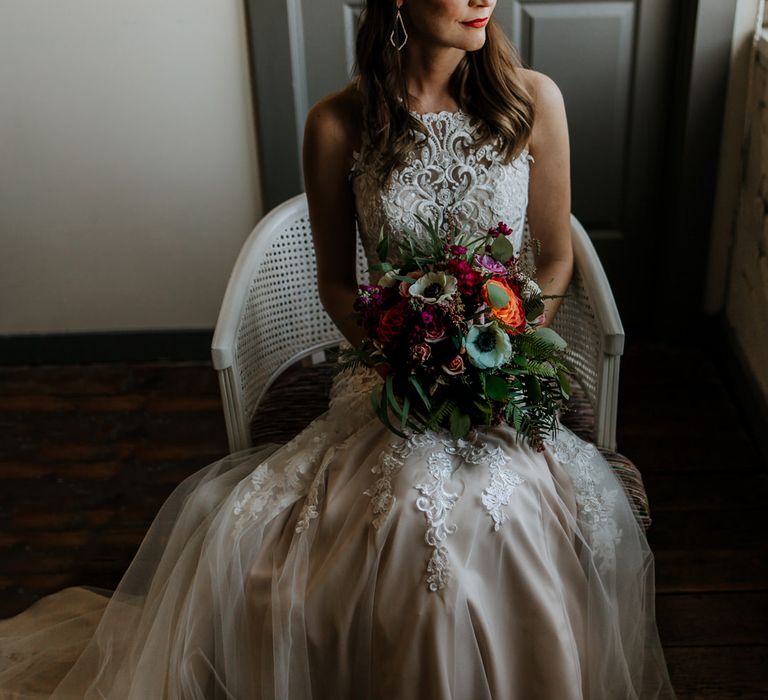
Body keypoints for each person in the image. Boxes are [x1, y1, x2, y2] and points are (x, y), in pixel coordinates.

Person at [0, 0, 676, 698]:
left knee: (497, 519)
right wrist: (401, 354)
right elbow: (334, 281)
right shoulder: (337, 123)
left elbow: (557, 260)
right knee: (409, 515)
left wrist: (500, 345)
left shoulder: (534, 100)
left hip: (500, 375)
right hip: (391, 377)